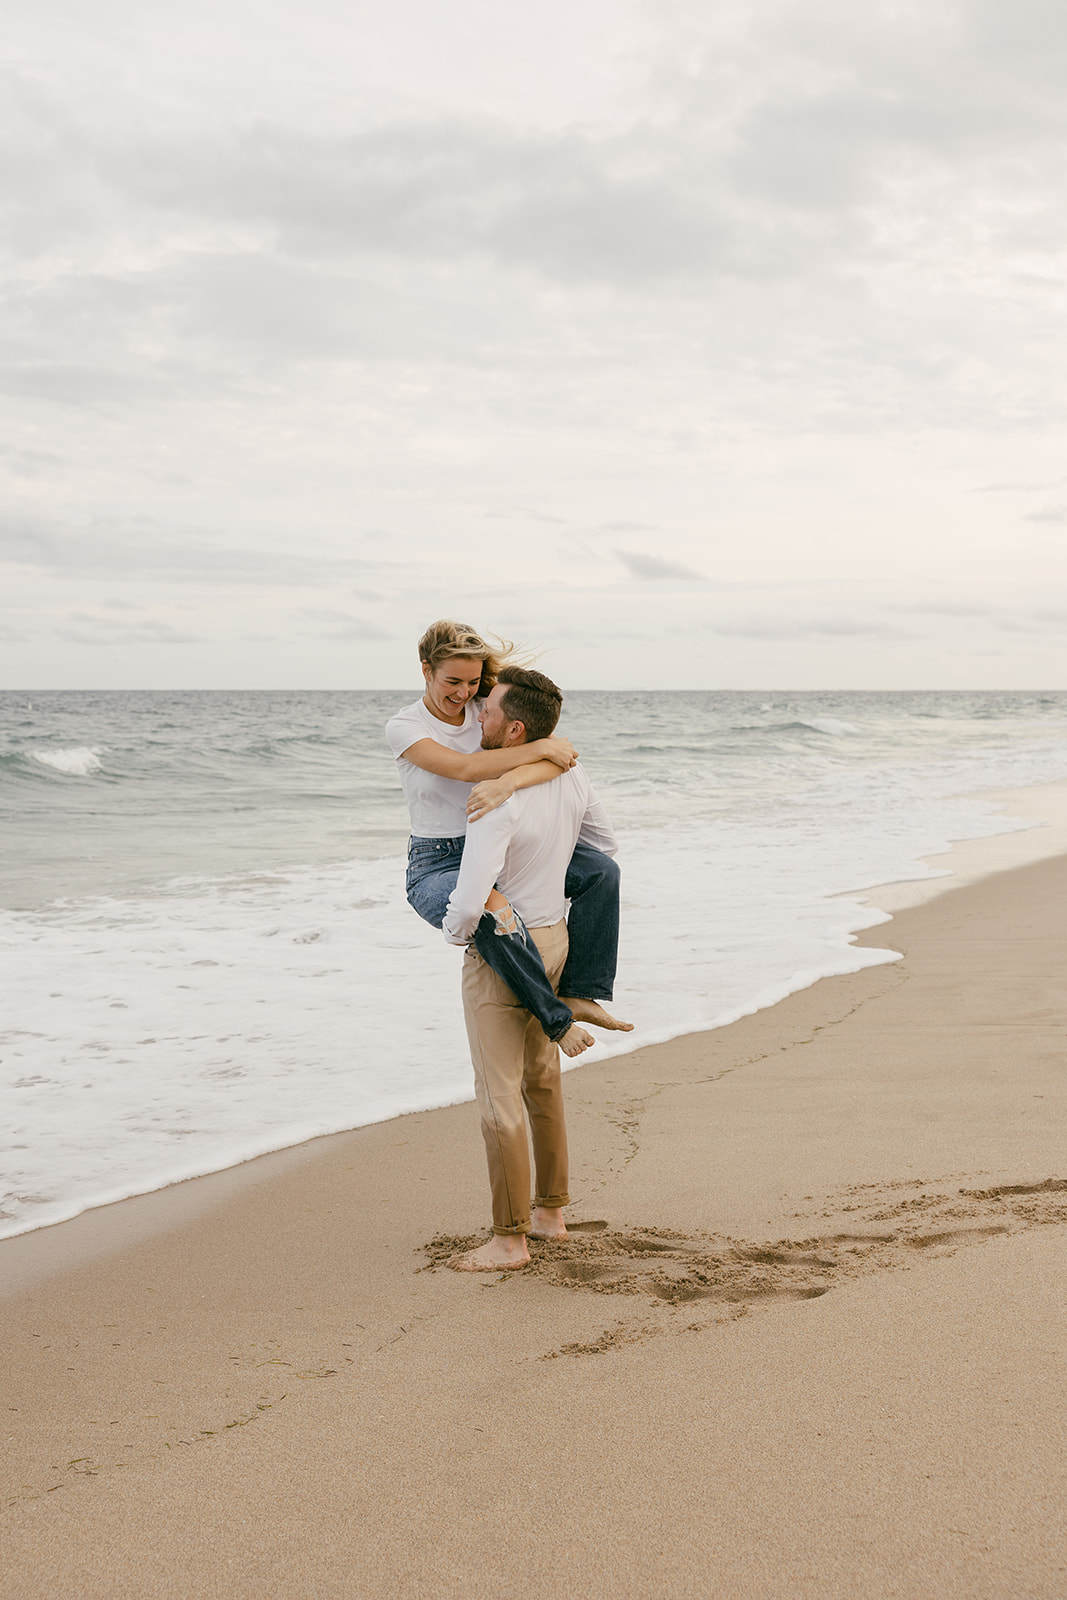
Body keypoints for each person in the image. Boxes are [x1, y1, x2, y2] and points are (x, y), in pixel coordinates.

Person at [385, 620, 631, 1058]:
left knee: (600, 870)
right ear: (426, 671)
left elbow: (562, 759)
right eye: (452, 681)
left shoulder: (490, 706)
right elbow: (464, 769)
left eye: (474, 681)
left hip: (502, 845)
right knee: (486, 906)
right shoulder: (405, 727)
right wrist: (533, 756)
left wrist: (508, 783)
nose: (465, 693)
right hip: (439, 861)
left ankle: (583, 990)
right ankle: (556, 1022)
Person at [441, 666, 618, 1271]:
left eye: (486, 710)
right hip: (557, 939)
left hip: (505, 948)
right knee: (542, 1084)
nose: (476, 718)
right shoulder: (571, 777)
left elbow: (469, 901)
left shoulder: (496, 798)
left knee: (499, 1096)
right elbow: (603, 848)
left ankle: (508, 1239)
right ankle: (550, 1213)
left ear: (514, 729)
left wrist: (459, 937)